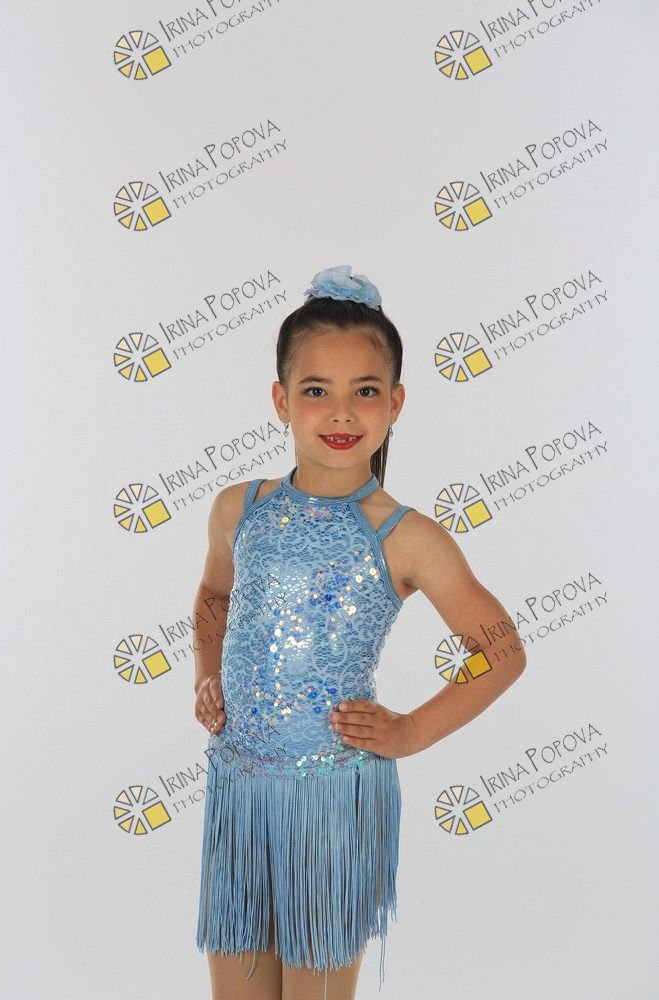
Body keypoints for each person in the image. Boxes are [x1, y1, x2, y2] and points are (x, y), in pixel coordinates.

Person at [193, 265, 527, 1000]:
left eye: (365, 391)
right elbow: (215, 595)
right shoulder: (237, 508)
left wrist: (410, 731)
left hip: (332, 799)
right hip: (239, 792)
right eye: (316, 390)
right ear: (281, 399)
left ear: (395, 402)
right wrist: (205, 674)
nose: (341, 412)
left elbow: (501, 650)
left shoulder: (406, 537)